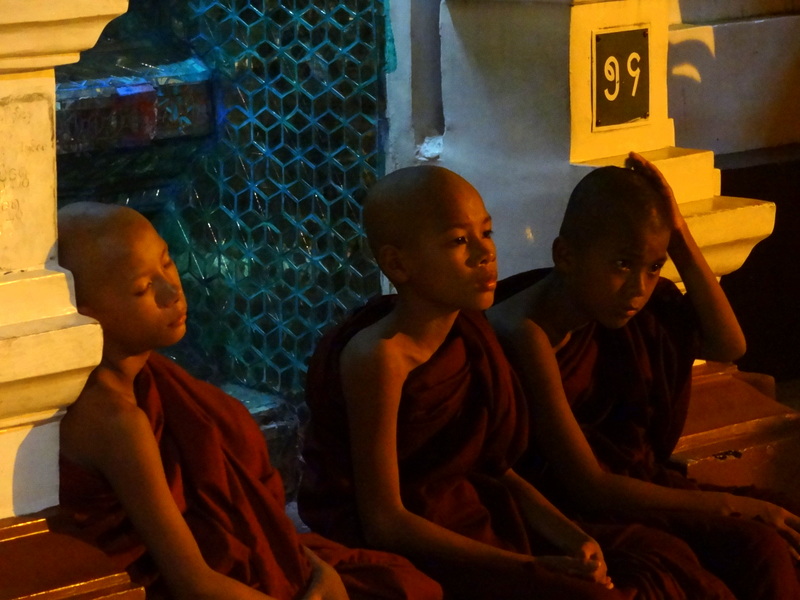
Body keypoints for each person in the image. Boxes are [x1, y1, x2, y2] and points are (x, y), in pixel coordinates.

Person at [298, 165, 742, 600]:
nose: (484, 254)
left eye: (486, 233)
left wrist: (573, 539)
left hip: (486, 516)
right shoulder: (379, 357)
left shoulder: (470, 334)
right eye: (458, 241)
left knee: (668, 565)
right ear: (398, 263)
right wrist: (527, 567)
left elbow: (497, 470)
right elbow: (386, 520)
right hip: (433, 544)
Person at [55, 201, 444, 600]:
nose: (172, 292)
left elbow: (255, 520)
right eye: (141, 288)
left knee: (403, 583)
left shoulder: (153, 379)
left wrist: (316, 569)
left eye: (167, 263)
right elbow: (194, 584)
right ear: (87, 315)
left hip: (252, 564)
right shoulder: (115, 419)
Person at [488, 152, 800, 599]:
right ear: (565, 255)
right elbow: (588, 485)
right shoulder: (526, 331)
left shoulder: (626, 309)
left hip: (635, 483)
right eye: (621, 264)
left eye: (653, 267)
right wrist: (730, 505)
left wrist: (680, 237)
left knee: (783, 521)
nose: (638, 288)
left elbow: (729, 347)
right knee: (754, 545)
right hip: (566, 507)